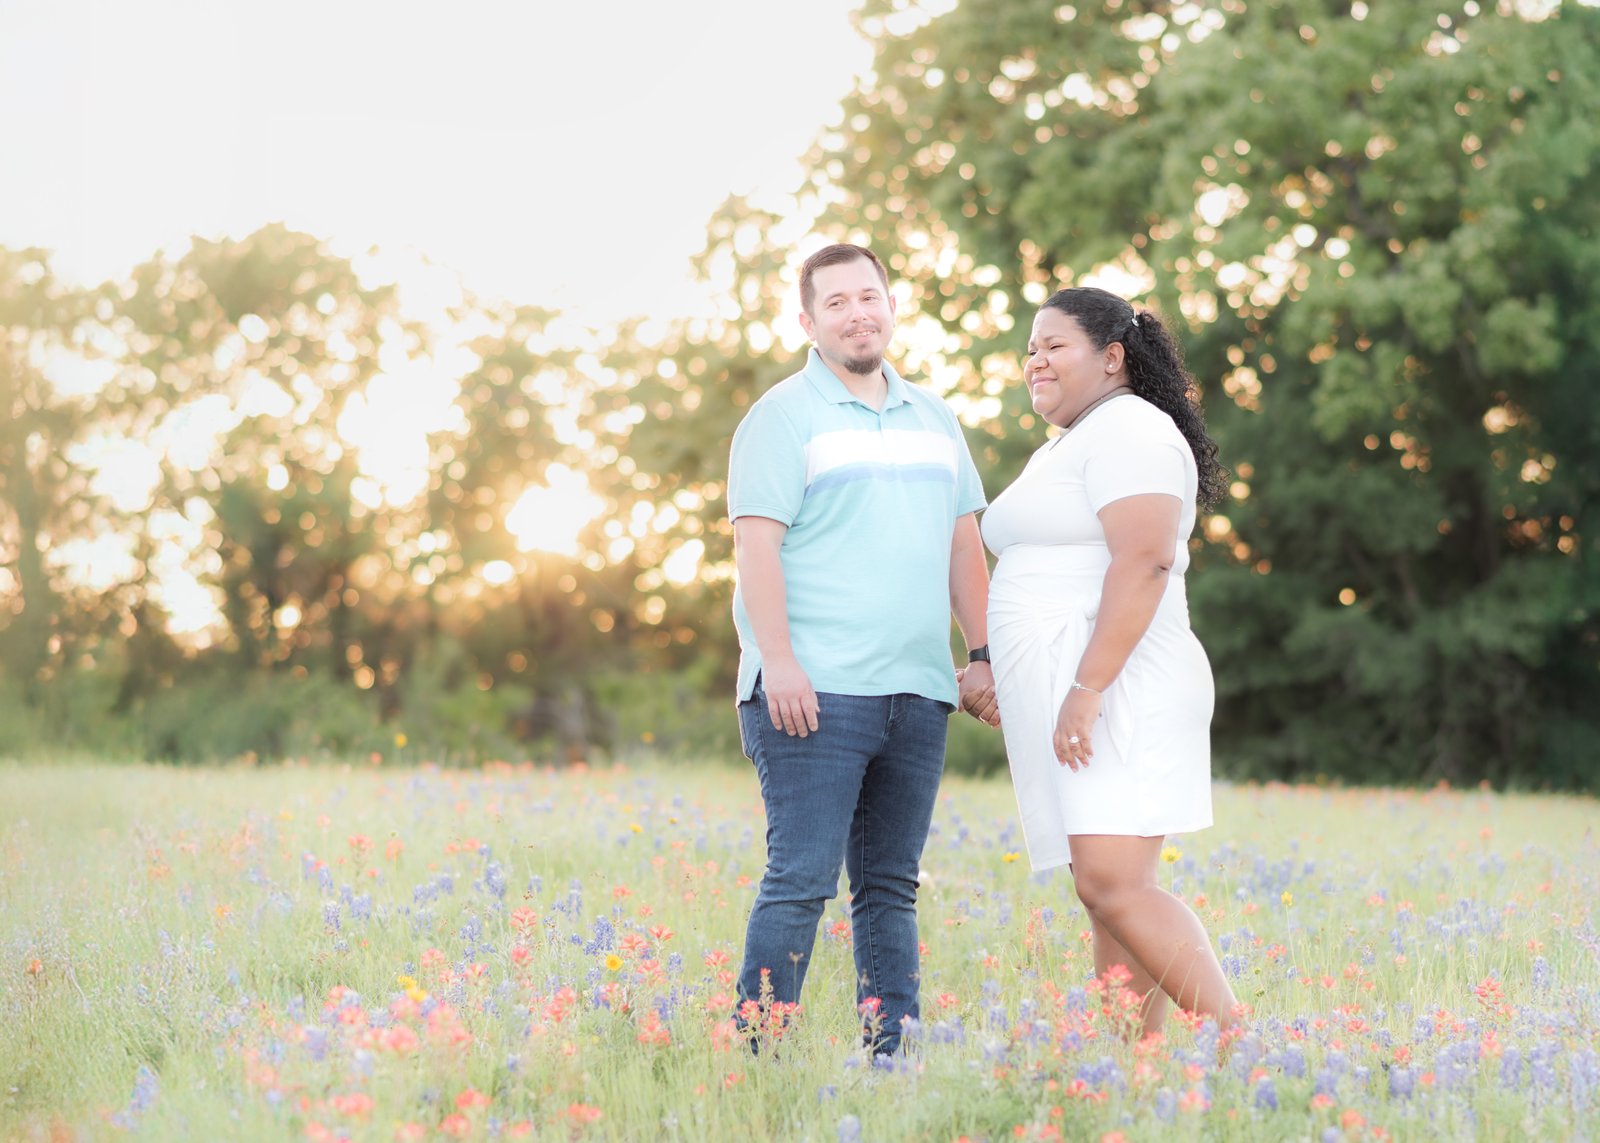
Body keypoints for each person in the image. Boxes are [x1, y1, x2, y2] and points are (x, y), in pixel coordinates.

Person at [727, 242, 996, 1057]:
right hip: (812, 691)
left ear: (890, 305)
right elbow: (755, 548)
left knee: (889, 889)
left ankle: (893, 1057)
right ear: (808, 321)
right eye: (836, 302)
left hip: (915, 691)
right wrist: (779, 661)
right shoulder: (781, 416)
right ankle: (760, 1059)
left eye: (868, 296)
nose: (857, 313)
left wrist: (981, 651)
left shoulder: (935, 417)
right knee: (801, 881)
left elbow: (963, 547)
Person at [980, 285, 1241, 1041]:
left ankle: (1246, 1047)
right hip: (1087, 687)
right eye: (1030, 347)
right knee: (1103, 890)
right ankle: (1134, 1070)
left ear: (1112, 357)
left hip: (1124, 684)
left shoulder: (1131, 430)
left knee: (1113, 883)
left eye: (1053, 344)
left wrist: (1086, 687)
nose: (1035, 359)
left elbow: (1147, 559)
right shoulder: (1075, 440)